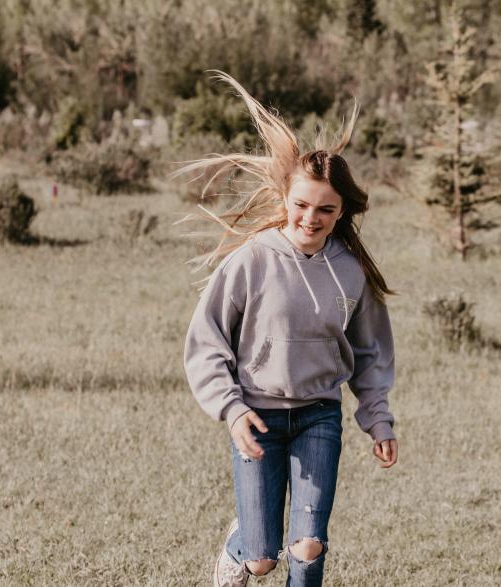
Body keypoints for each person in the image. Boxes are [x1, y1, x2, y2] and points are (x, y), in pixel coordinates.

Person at [181, 72, 398, 587]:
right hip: (256, 415)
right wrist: (231, 410)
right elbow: (207, 341)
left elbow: (370, 352)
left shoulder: (350, 270)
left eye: (326, 208)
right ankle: (240, 549)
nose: (311, 217)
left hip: (319, 416)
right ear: (286, 199)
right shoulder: (252, 261)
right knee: (262, 559)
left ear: (342, 211)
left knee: (307, 546)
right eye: (302, 205)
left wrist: (379, 418)